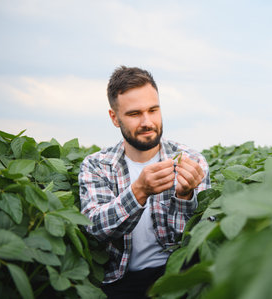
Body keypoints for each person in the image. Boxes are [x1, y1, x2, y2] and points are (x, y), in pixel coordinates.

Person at [79, 66, 211, 298]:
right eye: (134, 114)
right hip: (120, 281)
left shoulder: (192, 160)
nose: (147, 121)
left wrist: (185, 197)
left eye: (153, 110)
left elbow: (191, 242)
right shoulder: (97, 165)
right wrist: (139, 191)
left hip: (174, 275)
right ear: (114, 117)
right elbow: (95, 229)